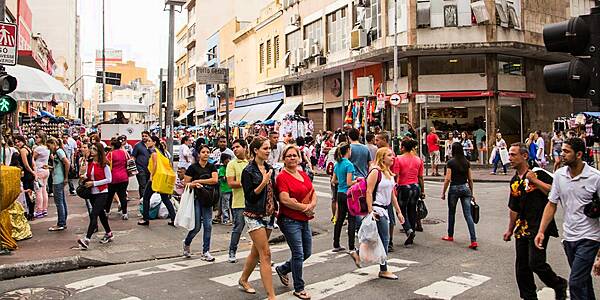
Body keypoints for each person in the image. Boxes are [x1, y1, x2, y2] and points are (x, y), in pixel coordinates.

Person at [535, 138, 600, 300]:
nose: (561, 154)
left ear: (578, 154)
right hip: (569, 238)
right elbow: (552, 204)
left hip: (590, 237)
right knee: (584, 281)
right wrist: (541, 231)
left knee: (576, 283)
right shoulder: (559, 175)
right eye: (561, 151)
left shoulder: (595, 177)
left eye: (566, 151)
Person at [504, 143, 568, 300]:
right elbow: (514, 208)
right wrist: (510, 230)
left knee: (536, 263)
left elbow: (554, 192)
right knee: (522, 268)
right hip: (522, 228)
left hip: (539, 226)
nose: (509, 158)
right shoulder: (514, 181)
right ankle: (529, 297)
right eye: (509, 155)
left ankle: (558, 284)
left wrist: (535, 181)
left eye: (513, 155)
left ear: (524, 156)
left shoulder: (538, 173)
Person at [274, 145, 317, 299]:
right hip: (289, 220)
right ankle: (299, 288)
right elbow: (285, 199)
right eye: (288, 156)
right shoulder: (282, 177)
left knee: (307, 252)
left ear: (299, 157)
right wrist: (305, 207)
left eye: (294, 155)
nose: (292, 158)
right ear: (283, 159)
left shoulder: (302, 174)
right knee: (298, 254)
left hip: (304, 219)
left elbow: (313, 192)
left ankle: (283, 268)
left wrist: (310, 206)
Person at [238, 137, 277, 299]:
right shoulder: (248, 171)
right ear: (255, 150)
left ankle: (243, 279)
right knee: (266, 254)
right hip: (254, 215)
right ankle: (271, 295)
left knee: (256, 251)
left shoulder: (269, 167)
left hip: (269, 215)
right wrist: (264, 182)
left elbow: (272, 192)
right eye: (265, 148)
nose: (268, 151)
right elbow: (250, 197)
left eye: (269, 148)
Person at [366, 147, 405, 279]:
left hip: (385, 208)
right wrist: (371, 211)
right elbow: (368, 192)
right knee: (384, 239)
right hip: (377, 208)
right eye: (389, 155)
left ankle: (358, 253)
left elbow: (392, 195)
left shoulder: (388, 172)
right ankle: (384, 269)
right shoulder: (375, 172)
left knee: (378, 239)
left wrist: (399, 212)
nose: (392, 157)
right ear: (382, 158)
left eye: (392, 155)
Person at [183, 144, 219, 261]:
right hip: (197, 199)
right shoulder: (192, 168)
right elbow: (186, 183)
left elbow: (215, 180)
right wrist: (194, 184)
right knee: (197, 226)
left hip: (208, 199)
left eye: (208, 152)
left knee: (208, 225)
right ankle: (187, 242)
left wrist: (199, 180)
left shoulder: (211, 166)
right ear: (199, 154)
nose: (206, 154)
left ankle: (206, 251)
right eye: (203, 152)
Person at [441, 142, 478, 250]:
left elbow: (447, 179)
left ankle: (450, 235)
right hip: (465, 188)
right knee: (468, 214)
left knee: (452, 212)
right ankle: (473, 240)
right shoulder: (466, 162)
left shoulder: (450, 162)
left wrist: (443, 192)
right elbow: (470, 179)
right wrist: (472, 193)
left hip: (454, 188)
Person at [77, 143, 114, 249]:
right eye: (91, 148)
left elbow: (109, 179)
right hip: (92, 193)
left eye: (94, 149)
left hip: (102, 193)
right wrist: (84, 177)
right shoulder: (90, 163)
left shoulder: (104, 164)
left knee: (94, 215)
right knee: (101, 214)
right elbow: (89, 175)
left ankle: (87, 240)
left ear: (99, 152)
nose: (91, 150)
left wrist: (94, 183)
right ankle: (109, 233)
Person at [331, 142, 361, 264]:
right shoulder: (349, 165)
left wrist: (342, 181)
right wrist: (357, 180)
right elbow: (349, 183)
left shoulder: (337, 164)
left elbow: (334, 180)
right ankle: (351, 247)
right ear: (348, 150)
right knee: (352, 219)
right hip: (348, 194)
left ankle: (336, 243)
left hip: (339, 193)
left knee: (340, 218)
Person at [137, 136, 177, 226]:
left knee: (146, 198)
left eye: (149, 141)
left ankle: (145, 219)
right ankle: (174, 218)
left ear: (154, 142)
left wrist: (151, 176)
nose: (147, 142)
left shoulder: (154, 152)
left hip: (155, 178)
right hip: (161, 178)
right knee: (165, 199)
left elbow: (155, 165)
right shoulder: (161, 152)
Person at [393, 139, 425, 246]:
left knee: (401, 211)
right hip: (415, 187)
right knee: (412, 210)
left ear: (402, 147)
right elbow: (420, 177)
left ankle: (408, 229)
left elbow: (396, 175)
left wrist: (394, 188)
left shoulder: (398, 159)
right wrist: (422, 190)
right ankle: (412, 231)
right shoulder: (418, 160)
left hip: (403, 187)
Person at [227, 139, 250, 263]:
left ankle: (257, 255)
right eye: (233, 147)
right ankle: (232, 250)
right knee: (238, 228)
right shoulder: (232, 164)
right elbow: (230, 183)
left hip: (252, 202)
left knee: (255, 231)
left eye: (237, 147)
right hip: (239, 202)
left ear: (245, 147)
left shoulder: (250, 163)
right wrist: (245, 183)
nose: (235, 149)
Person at [47, 138, 70, 231]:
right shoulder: (59, 151)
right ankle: (62, 221)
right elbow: (60, 165)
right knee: (62, 201)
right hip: (58, 178)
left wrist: (66, 177)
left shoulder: (59, 152)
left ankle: (61, 223)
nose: (49, 148)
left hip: (58, 180)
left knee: (59, 202)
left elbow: (67, 163)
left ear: (53, 143)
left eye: (49, 146)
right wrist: (50, 167)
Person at [105, 137, 130, 220]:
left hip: (113, 178)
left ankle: (107, 212)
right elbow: (129, 162)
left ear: (113, 146)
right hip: (124, 177)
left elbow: (106, 163)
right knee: (123, 196)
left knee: (110, 196)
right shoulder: (125, 153)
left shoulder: (110, 154)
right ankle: (125, 213)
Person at [14, 135, 36, 220]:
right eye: (16, 142)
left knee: (28, 193)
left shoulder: (23, 150)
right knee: (31, 193)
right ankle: (31, 212)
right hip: (30, 174)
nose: (17, 144)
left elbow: (26, 164)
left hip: (27, 175)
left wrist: (31, 171)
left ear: (23, 141)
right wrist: (34, 172)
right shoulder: (28, 148)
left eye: (18, 142)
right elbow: (32, 162)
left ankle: (30, 213)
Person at [32, 132, 50, 218]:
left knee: (38, 191)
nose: (36, 139)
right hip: (45, 170)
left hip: (39, 170)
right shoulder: (47, 148)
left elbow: (32, 158)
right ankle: (44, 209)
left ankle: (39, 210)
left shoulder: (38, 149)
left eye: (37, 137)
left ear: (41, 138)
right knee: (44, 190)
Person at [131, 131, 151, 199]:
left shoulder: (150, 145)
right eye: (143, 136)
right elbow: (133, 157)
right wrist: (132, 167)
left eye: (145, 136)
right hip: (140, 168)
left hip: (150, 169)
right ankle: (143, 199)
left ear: (149, 136)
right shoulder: (138, 145)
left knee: (149, 185)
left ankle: (148, 199)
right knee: (143, 184)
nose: (144, 137)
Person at [218, 153, 232, 225]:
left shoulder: (230, 168)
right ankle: (225, 219)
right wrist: (228, 176)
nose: (228, 162)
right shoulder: (222, 169)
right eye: (226, 161)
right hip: (225, 189)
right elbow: (222, 178)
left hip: (231, 189)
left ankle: (232, 218)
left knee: (231, 205)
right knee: (225, 205)